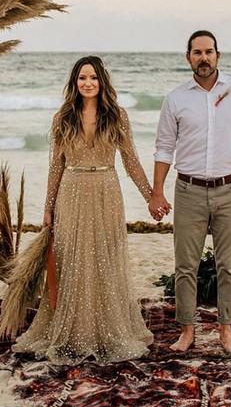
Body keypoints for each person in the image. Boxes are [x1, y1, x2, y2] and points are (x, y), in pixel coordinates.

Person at [12, 56, 154, 365]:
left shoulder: (118, 116)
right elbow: (56, 167)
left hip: (106, 190)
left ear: (102, 81)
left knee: (106, 258)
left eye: (92, 77)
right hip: (72, 192)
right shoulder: (62, 117)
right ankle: (76, 330)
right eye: (81, 78)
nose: (87, 83)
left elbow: (130, 161)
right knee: (72, 260)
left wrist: (150, 195)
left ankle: (105, 329)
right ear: (75, 83)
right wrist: (48, 208)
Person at [148, 30, 231, 353]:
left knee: (229, 264)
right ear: (188, 57)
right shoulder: (175, 99)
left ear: (218, 55)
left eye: (209, 52)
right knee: (186, 266)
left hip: (230, 189)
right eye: (197, 52)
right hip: (189, 191)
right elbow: (164, 148)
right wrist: (157, 193)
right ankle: (187, 331)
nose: (204, 58)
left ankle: (226, 331)